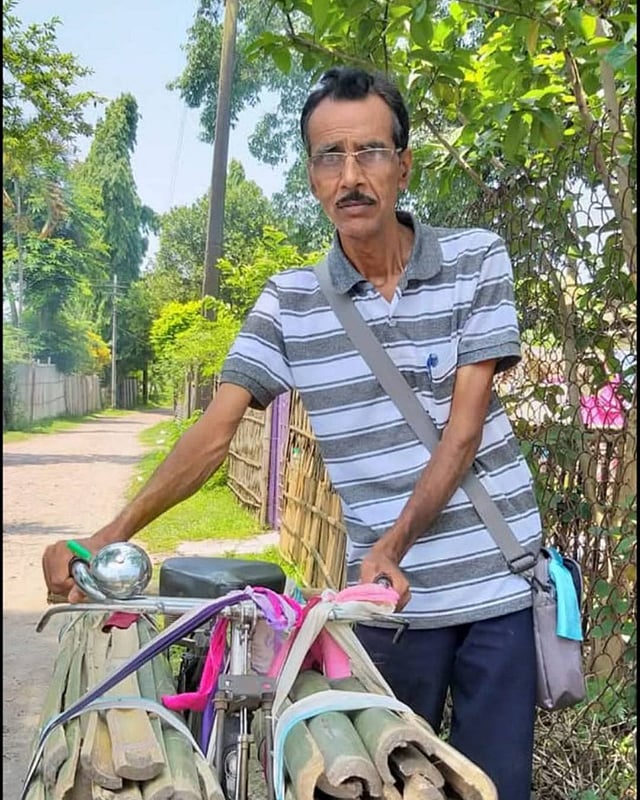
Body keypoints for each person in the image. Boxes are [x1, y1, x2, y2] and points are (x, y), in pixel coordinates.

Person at [43, 66, 541, 799]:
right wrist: (107, 535)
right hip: (383, 609)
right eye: (329, 158)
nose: (351, 177)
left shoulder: (475, 260)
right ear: (311, 177)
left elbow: (462, 435)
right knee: (378, 779)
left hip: (491, 588)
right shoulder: (290, 303)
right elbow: (214, 433)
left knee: (496, 787)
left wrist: (394, 544)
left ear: (403, 165)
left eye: (370, 152)